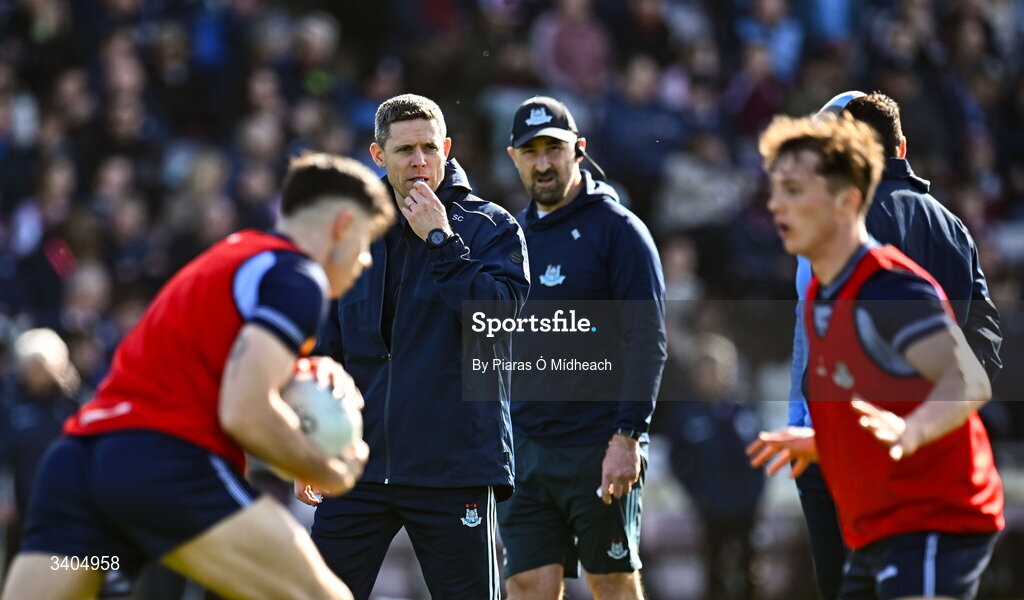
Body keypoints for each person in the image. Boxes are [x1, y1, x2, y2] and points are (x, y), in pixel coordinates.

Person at [0, 152, 394, 600]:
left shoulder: (235, 254)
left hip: (78, 466)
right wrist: (328, 469)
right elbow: (244, 411)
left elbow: (211, 368)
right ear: (342, 225)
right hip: (163, 465)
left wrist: (299, 375)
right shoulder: (299, 277)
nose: (364, 261)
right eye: (366, 242)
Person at [749, 113, 1004, 600]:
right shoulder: (826, 294)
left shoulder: (888, 285)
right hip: (884, 520)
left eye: (796, 190)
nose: (776, 204)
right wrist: (821, 443)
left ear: (846, 200)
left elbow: (970, 379)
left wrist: (911, 431)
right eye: (776, 189)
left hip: (934, 518)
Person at [308, 94, 530, 600]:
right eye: (405, 149)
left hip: (453, 467)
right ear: (378, 156)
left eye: (430, 148)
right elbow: (329, 350)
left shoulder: (492, 228)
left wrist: (441, 241)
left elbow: (498, 321)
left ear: (447, 148)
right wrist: (313, 443)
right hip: (359, 465)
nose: (420, 161)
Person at [497, 95, 666, 600]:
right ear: (514, 158)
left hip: (598, 444)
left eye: (554, 148)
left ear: (579, 149)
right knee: (527, 584)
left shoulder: (620, 232)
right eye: (531, 151)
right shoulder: (513, 237)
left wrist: (628, 437)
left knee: (610, 581)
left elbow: (648, 339)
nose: (543, 163)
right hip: (524, 449)